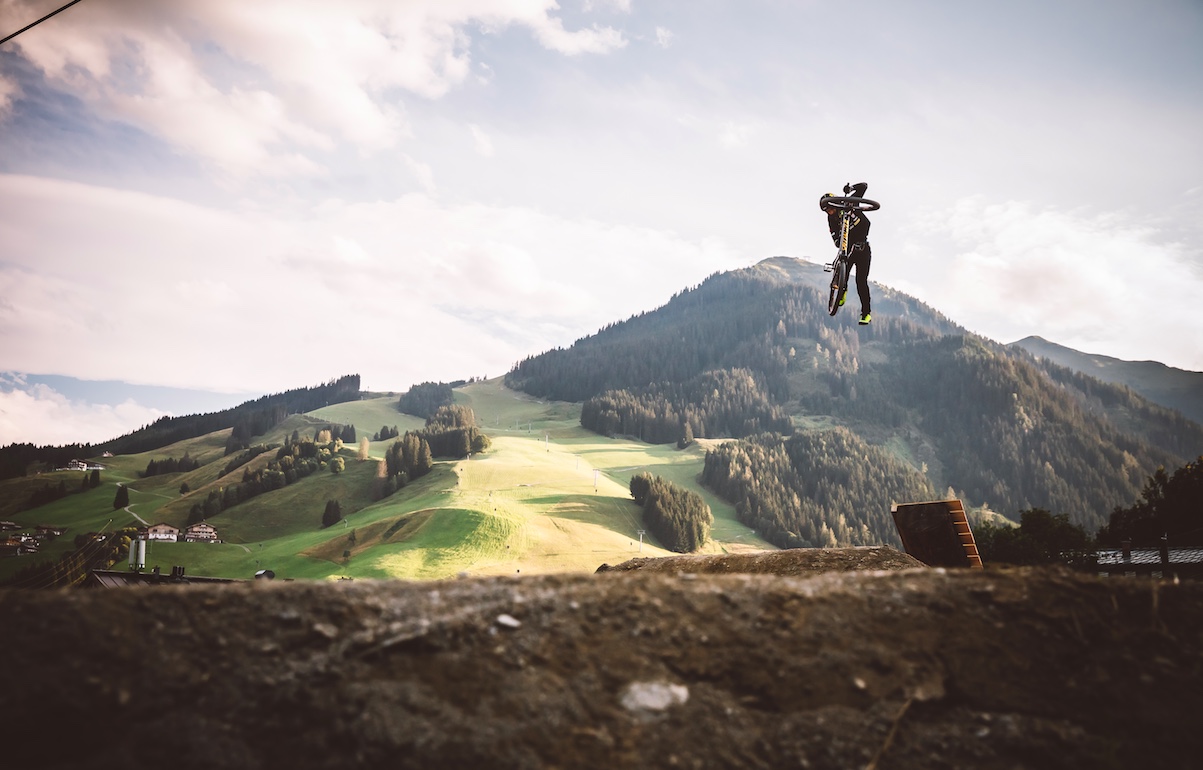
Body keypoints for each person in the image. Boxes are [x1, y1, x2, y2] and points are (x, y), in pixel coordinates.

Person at [820, 182, 872, 325]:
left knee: (861, 281)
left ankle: (866, 313)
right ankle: (841, 290)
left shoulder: (849, 202)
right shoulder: (831, 219)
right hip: (847, 246)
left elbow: (864, 186)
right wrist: (838, 240)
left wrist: (850, 189)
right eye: (826, 210)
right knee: (844, 269)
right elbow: (834, 236)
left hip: (862, 246)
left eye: (830, 208)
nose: (829, 212)